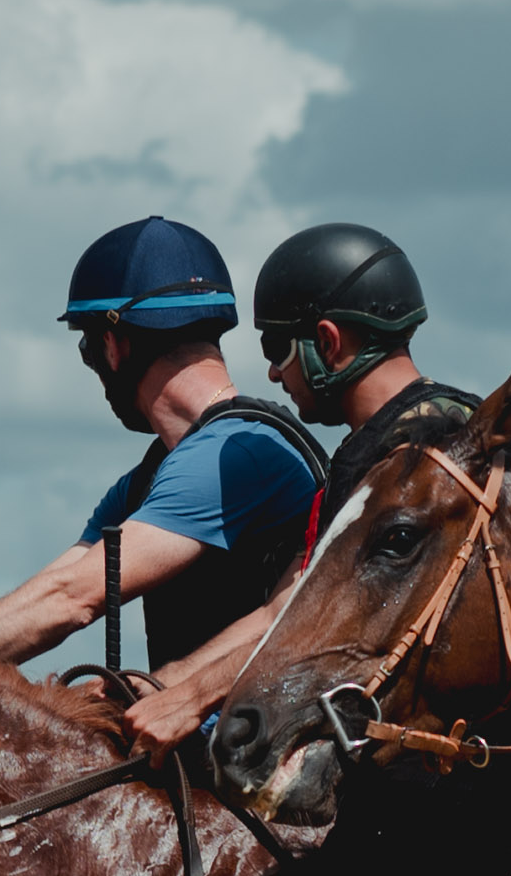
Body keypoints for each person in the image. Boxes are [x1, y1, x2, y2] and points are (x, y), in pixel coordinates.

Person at [112, 220, 464, 752]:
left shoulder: (428, 449)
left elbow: (356, 620)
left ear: (328, 341)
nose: (274, 375)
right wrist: (168, 683)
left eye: (278, 347)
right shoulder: (365, 454)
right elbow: (285, 612)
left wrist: (193, 699)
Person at [0, 216, 325, 689]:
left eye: (87, 348)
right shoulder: (155, 476)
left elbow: (70, 599)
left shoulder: (235, 455)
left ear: (113, 346)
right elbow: (35, 597)